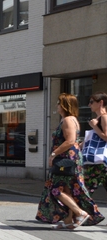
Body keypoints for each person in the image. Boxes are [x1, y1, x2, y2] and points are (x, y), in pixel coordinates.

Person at [35, 93, 104, 229]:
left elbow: (70, 140)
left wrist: (53, 154)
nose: (57, 105)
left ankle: (80, 213)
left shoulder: (68, 120)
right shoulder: (71, 120)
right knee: (67, 189)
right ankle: (69, 221)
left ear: (65, 105)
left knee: (56, 190)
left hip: (65, 160)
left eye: (59, 103)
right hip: (70, 159)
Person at [83, 93, 107, 196]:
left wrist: (94, 127)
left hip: (99, 161)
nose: (89, 105)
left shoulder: (104, 117)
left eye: (92, 102)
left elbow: (106, 137)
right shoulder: (99, 118)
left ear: (101, 103)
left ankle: (80, 211)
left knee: (85, 192)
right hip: (99, 161)